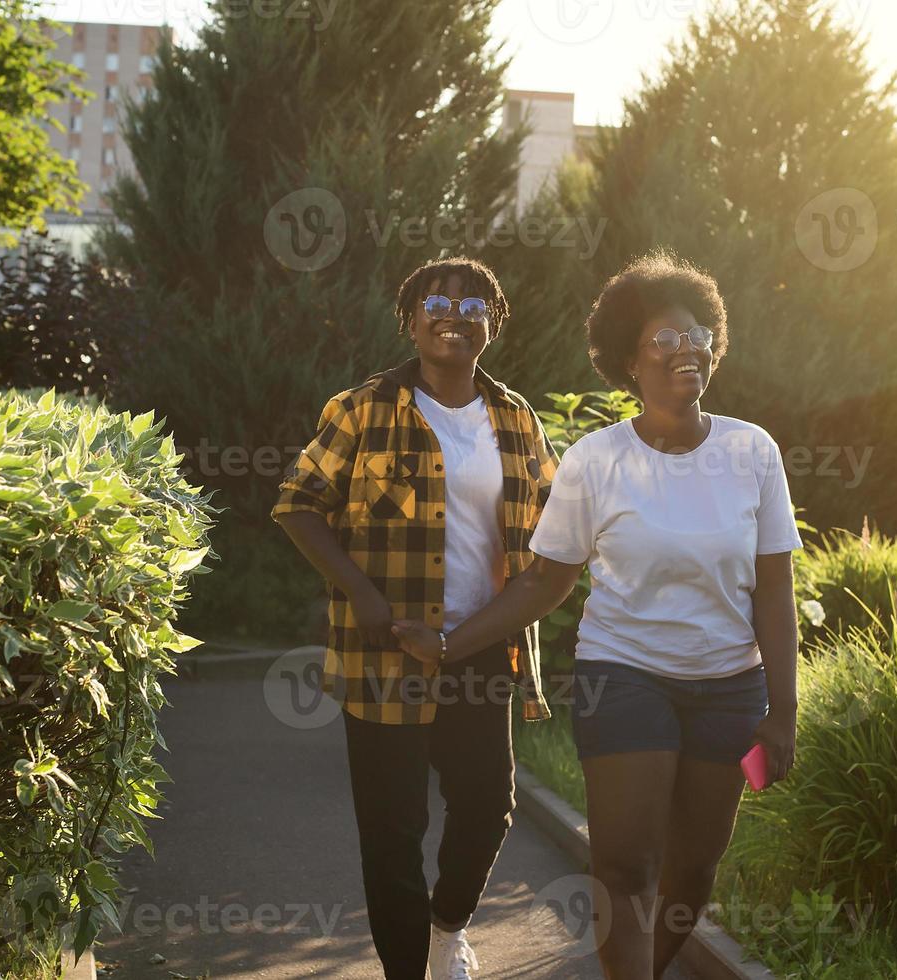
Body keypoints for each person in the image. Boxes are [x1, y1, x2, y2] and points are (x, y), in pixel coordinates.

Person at [392, 250, 802, 980]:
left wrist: (782, 712)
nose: (689, 349)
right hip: (625, 676)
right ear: (630, 363)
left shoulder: (752, 451)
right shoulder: (595, 460)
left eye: (699, 333)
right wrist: (452, 644)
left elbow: (774, 591)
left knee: (695, 873)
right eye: (666, 340)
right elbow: (544, 583)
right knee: (626, 867)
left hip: (730, 689)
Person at [272, 256, 557, 980]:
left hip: (480, 645)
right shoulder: (362, 408)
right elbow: (298, 503)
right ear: (409, 319)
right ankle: (407, 972)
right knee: (393, 833)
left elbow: (552, 525)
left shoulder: (516, 417)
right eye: (436, 299)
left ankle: (446, 925)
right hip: (385, 654)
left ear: (492, 325)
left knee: (489, 805)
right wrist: (361, 595)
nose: (453, 313)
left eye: (473, 304)